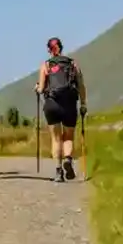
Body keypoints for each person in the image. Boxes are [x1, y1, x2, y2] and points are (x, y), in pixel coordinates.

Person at [34, 36, 85, 182]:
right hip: (69, 103)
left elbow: (42, 88)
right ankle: (68, 159)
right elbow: (81, 85)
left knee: (56, 139)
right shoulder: (72, 64)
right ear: (61, 48)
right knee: (68, 137)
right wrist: (83, 103)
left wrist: (37, 88)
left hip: (52, 104)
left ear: (49, 50)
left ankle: (58, 172)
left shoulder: (46, 65)